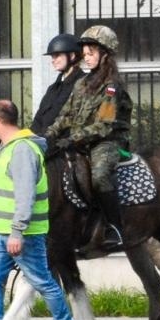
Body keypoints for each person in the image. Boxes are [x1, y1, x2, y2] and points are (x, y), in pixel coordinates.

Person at [0, 99, 79, 320]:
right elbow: (12, 185)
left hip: (22, 234)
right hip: (0, 232)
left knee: (42, 281)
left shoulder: (22, 150)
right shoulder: (8, 147)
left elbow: (25, 194)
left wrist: (17, 233)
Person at [42, 24, 132, 253]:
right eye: (85, 52)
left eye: (92, 52)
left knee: (100, 175)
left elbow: (104, 125)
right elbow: (66, 116)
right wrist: (47, 138)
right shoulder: (81, 83)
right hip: (81, 141)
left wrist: (72, 140)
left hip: (108, 142)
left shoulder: (112, 87)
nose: (86, 57)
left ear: (105, 55)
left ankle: (115, 228)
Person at [31, 32, 85, 135]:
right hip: (45, 146)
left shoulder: (84, 84)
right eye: (52, 57)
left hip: (69, 147)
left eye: (57, 56)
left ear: (72, 56)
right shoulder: (53, 89)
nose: (53, 60)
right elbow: (38, 121)